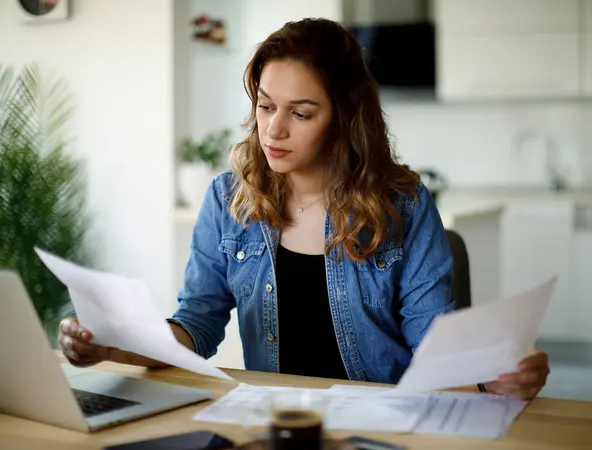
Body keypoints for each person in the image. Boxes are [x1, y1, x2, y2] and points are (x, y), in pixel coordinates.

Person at [58, 18, 549, 400]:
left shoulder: (404, 206)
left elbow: (434, 345)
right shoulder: (229, 200)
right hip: (273, 418)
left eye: (301, 113)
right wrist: (115, 346)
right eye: (266, 105)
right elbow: (197, 323)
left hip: (381, 422)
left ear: (345, 119)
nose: (273, 130)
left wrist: (494, 377)